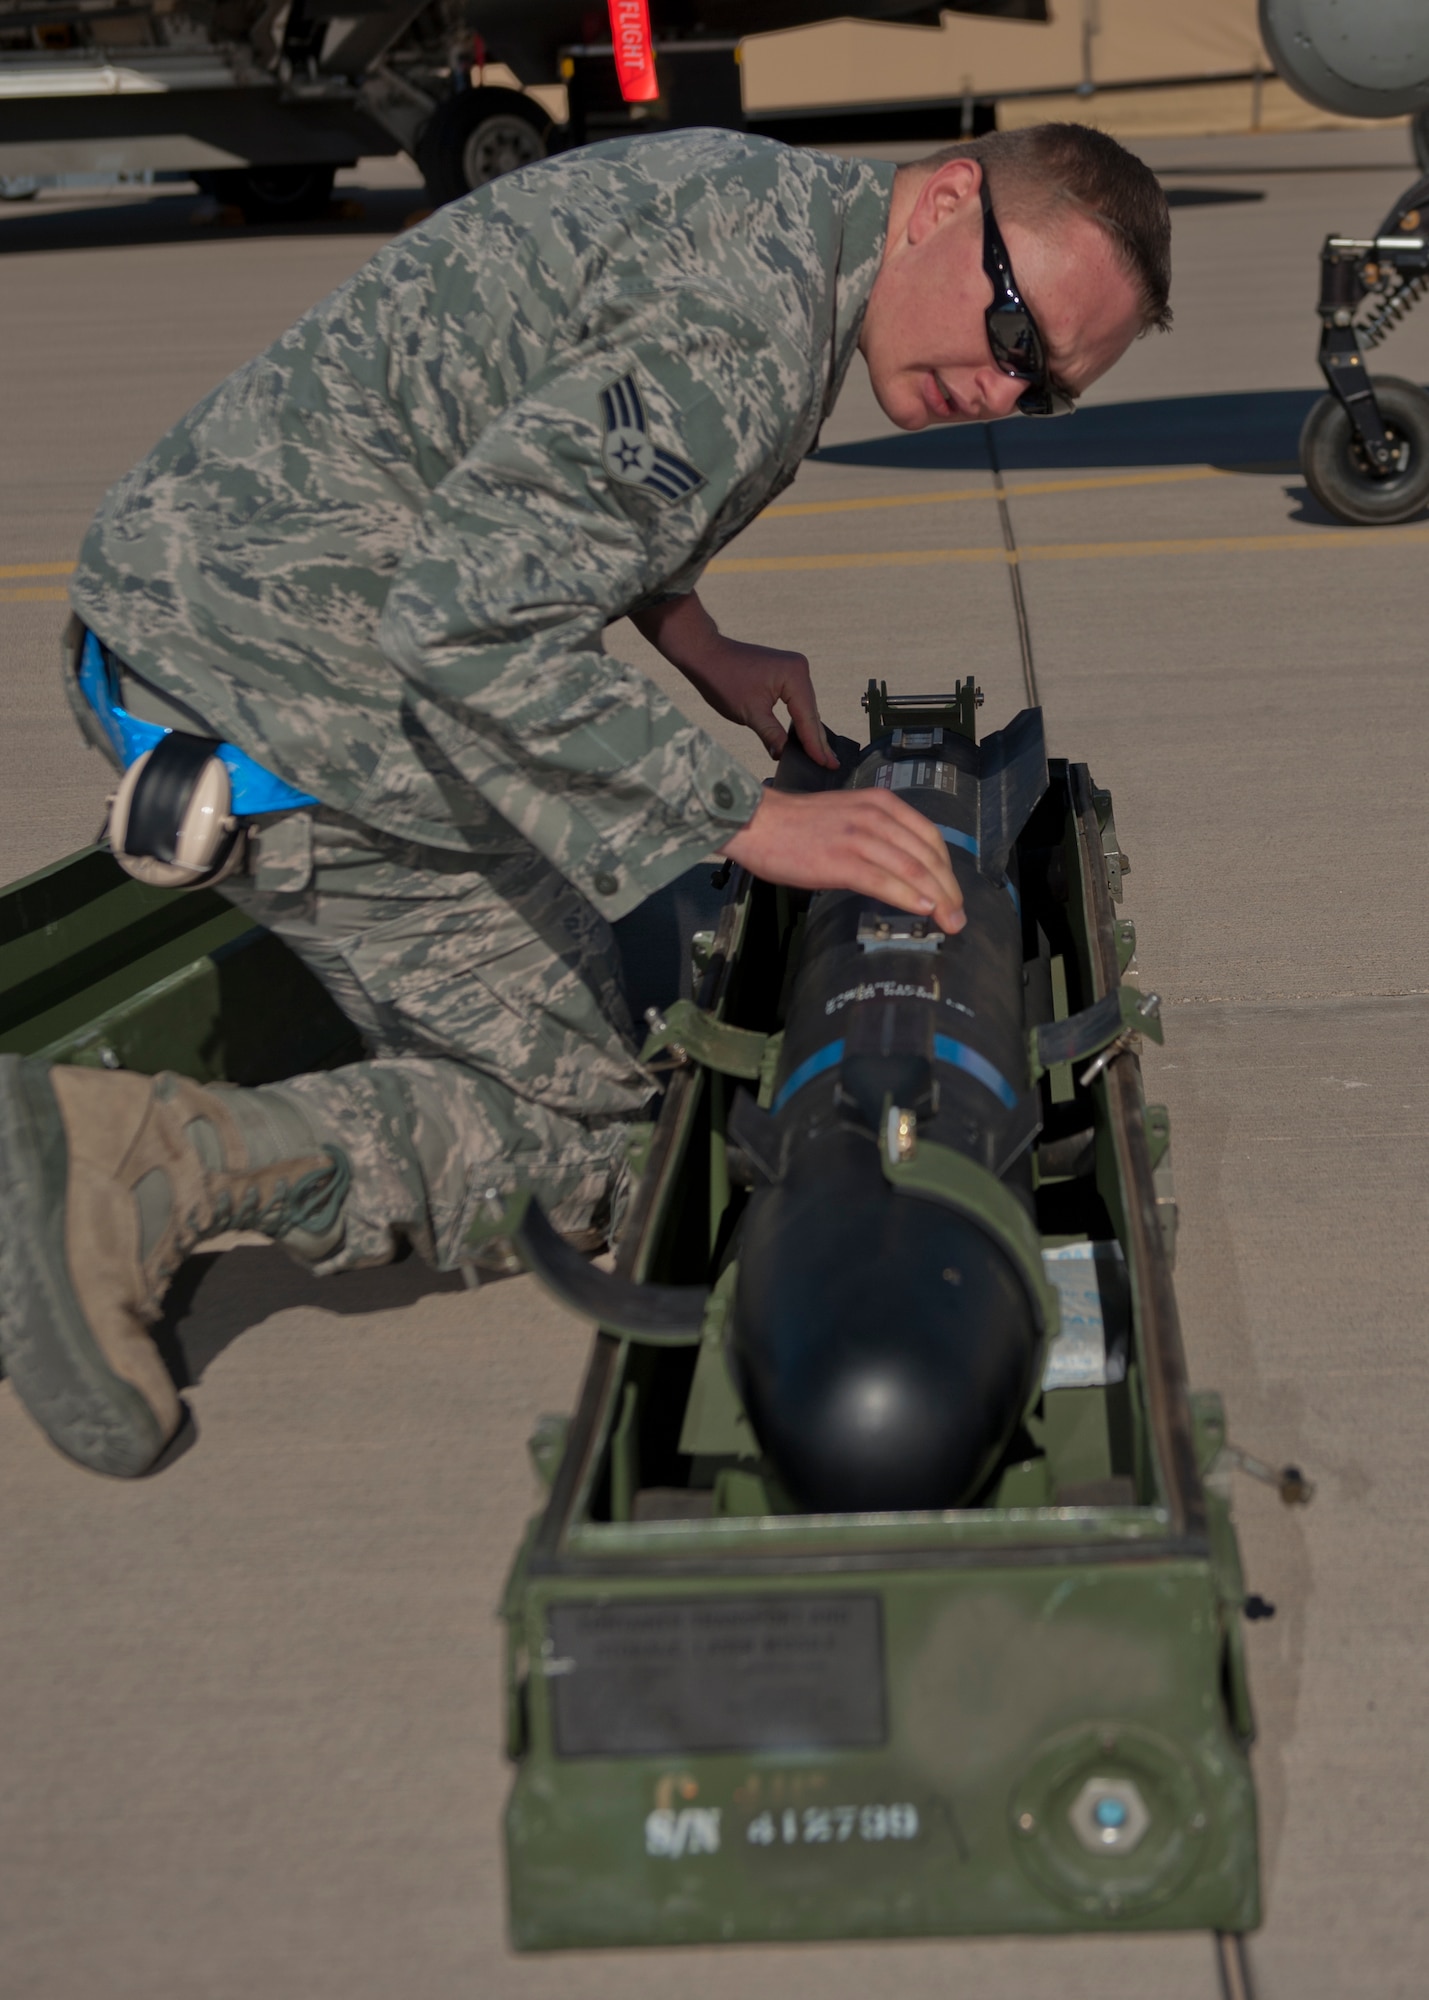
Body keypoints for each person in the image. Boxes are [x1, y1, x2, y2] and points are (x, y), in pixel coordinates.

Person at [0, 123, 1170, 1478]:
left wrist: (694, 640)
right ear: (951, 198)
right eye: (1011, 330)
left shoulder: (762, 203)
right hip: (292, 697)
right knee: (593, 1143)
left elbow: (544, 451)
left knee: (644, 932)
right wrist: (748, 821)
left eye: (1040, 392)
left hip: (209, 586)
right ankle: (124, 1165)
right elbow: (469, 622)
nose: (996, 387)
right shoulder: (750, 335)